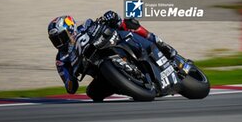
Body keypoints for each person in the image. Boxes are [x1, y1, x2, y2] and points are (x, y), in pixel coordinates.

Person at [47, 11, 177, 101]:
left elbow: (106, 21)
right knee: (93, 93)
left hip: (111, 44)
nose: (59, 42)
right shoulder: (61, 60)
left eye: (61, 37)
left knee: (127, 23)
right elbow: (70, 88)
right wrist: (71, 80)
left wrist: (109, 17)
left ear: (70, 29)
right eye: (55, 40)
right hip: (100, 71)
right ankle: (131, 87)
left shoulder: (85, 27)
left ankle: (160, 43)